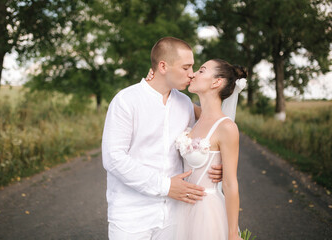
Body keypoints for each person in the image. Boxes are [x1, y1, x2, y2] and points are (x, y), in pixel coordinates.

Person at [102, 37, 222, 239]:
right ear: (163, 66)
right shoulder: (126, 100)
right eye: (186, 68)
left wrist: (217, 164)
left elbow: (210, 133)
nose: (191, 74)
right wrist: (165, 186)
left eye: (192, 67)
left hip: (175, 216)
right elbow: (113, 158)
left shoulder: (185, 103)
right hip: (131, 216)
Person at [174, 59, 246, 240]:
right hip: (181, 207)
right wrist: (154, 75)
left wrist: (232, 233)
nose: (193, 74)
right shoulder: (194, 114)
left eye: (201, 71)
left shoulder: (226, 127)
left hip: (206, 211)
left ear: (216, 82)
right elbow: (165, 92)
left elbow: (230, 184)